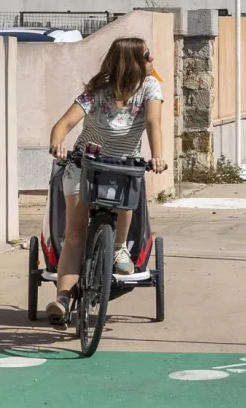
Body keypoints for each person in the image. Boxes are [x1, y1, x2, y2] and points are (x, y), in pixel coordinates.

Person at [47, 37, 168, 325]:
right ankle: (63, 299)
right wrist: (58, 144)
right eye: (148, 55)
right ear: (133, 63)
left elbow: (153, 123)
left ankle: (119, 247)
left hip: (123, 165)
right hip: (85, 164)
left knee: (129, 187)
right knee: (75, 235)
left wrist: (158, 156)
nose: (152, 60)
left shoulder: (150, 87)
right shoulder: (96, 92)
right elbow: (63, 125)